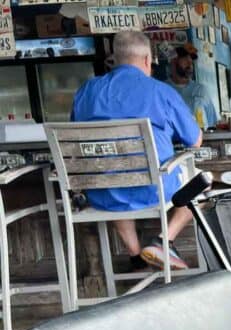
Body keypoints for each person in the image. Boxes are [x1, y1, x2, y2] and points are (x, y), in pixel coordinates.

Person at [71, 30, 201, 270]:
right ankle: (164, 241)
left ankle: (136, 256)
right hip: (153, 190)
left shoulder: (86, 91)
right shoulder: (161, 91)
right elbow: (195, 141)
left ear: (115, 59)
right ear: (147, 60)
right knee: (201, 183)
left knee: (112, 172)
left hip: (101, 193)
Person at [166, 43, 219, 129]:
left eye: (191, 62)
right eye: (185, 60)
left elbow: (212, 123)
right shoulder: (162, 89)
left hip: (199, 139)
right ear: (173, 61)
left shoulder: (201, 90)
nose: (190, 65)